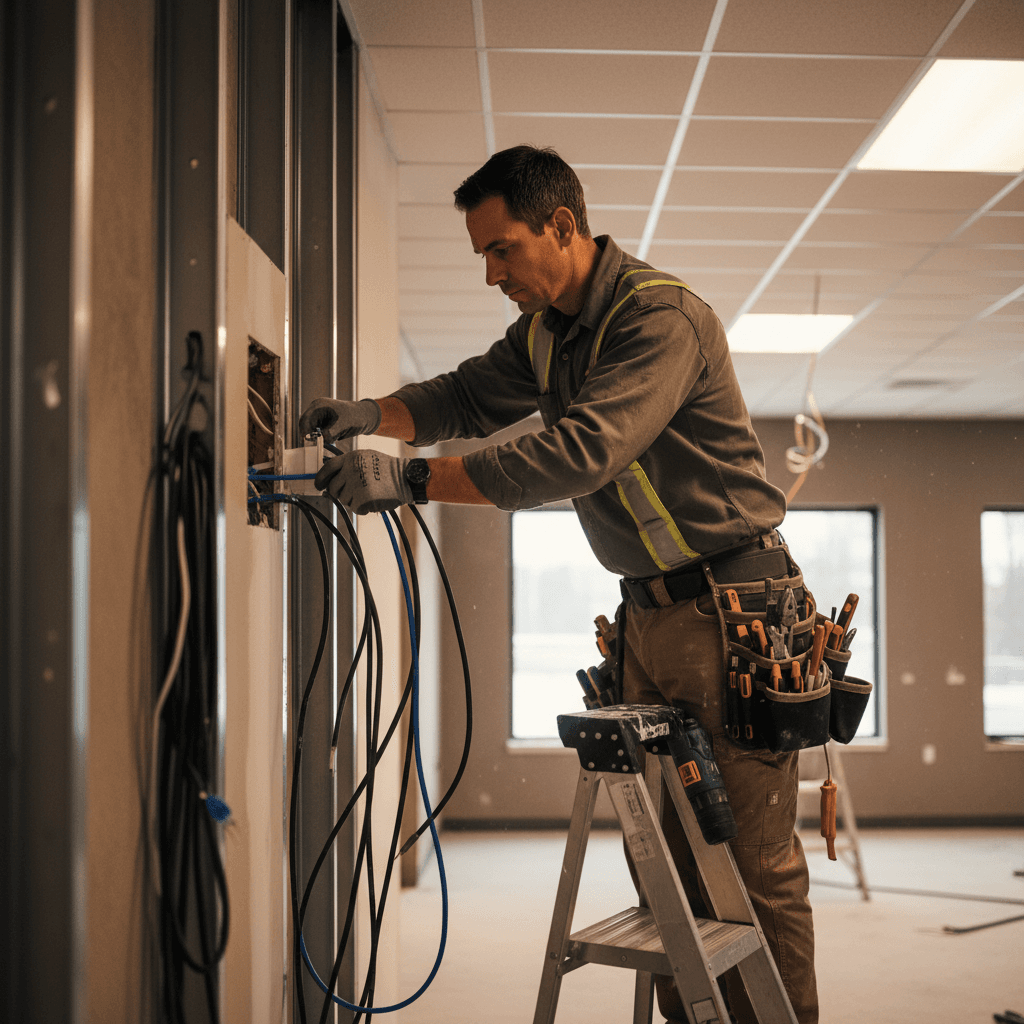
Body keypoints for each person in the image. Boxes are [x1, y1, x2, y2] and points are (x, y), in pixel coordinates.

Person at [299, 145, 818, 1024]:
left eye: (502, 250)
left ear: (563, 226)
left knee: (753, 869)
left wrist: (411, 480)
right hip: (648, 615)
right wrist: (374, 415)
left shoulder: (661, 320)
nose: (492, 273)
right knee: (680, 876)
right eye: (483, 257)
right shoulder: (545, 337)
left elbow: (581, 453)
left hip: (733, 610)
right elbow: (464, 396)